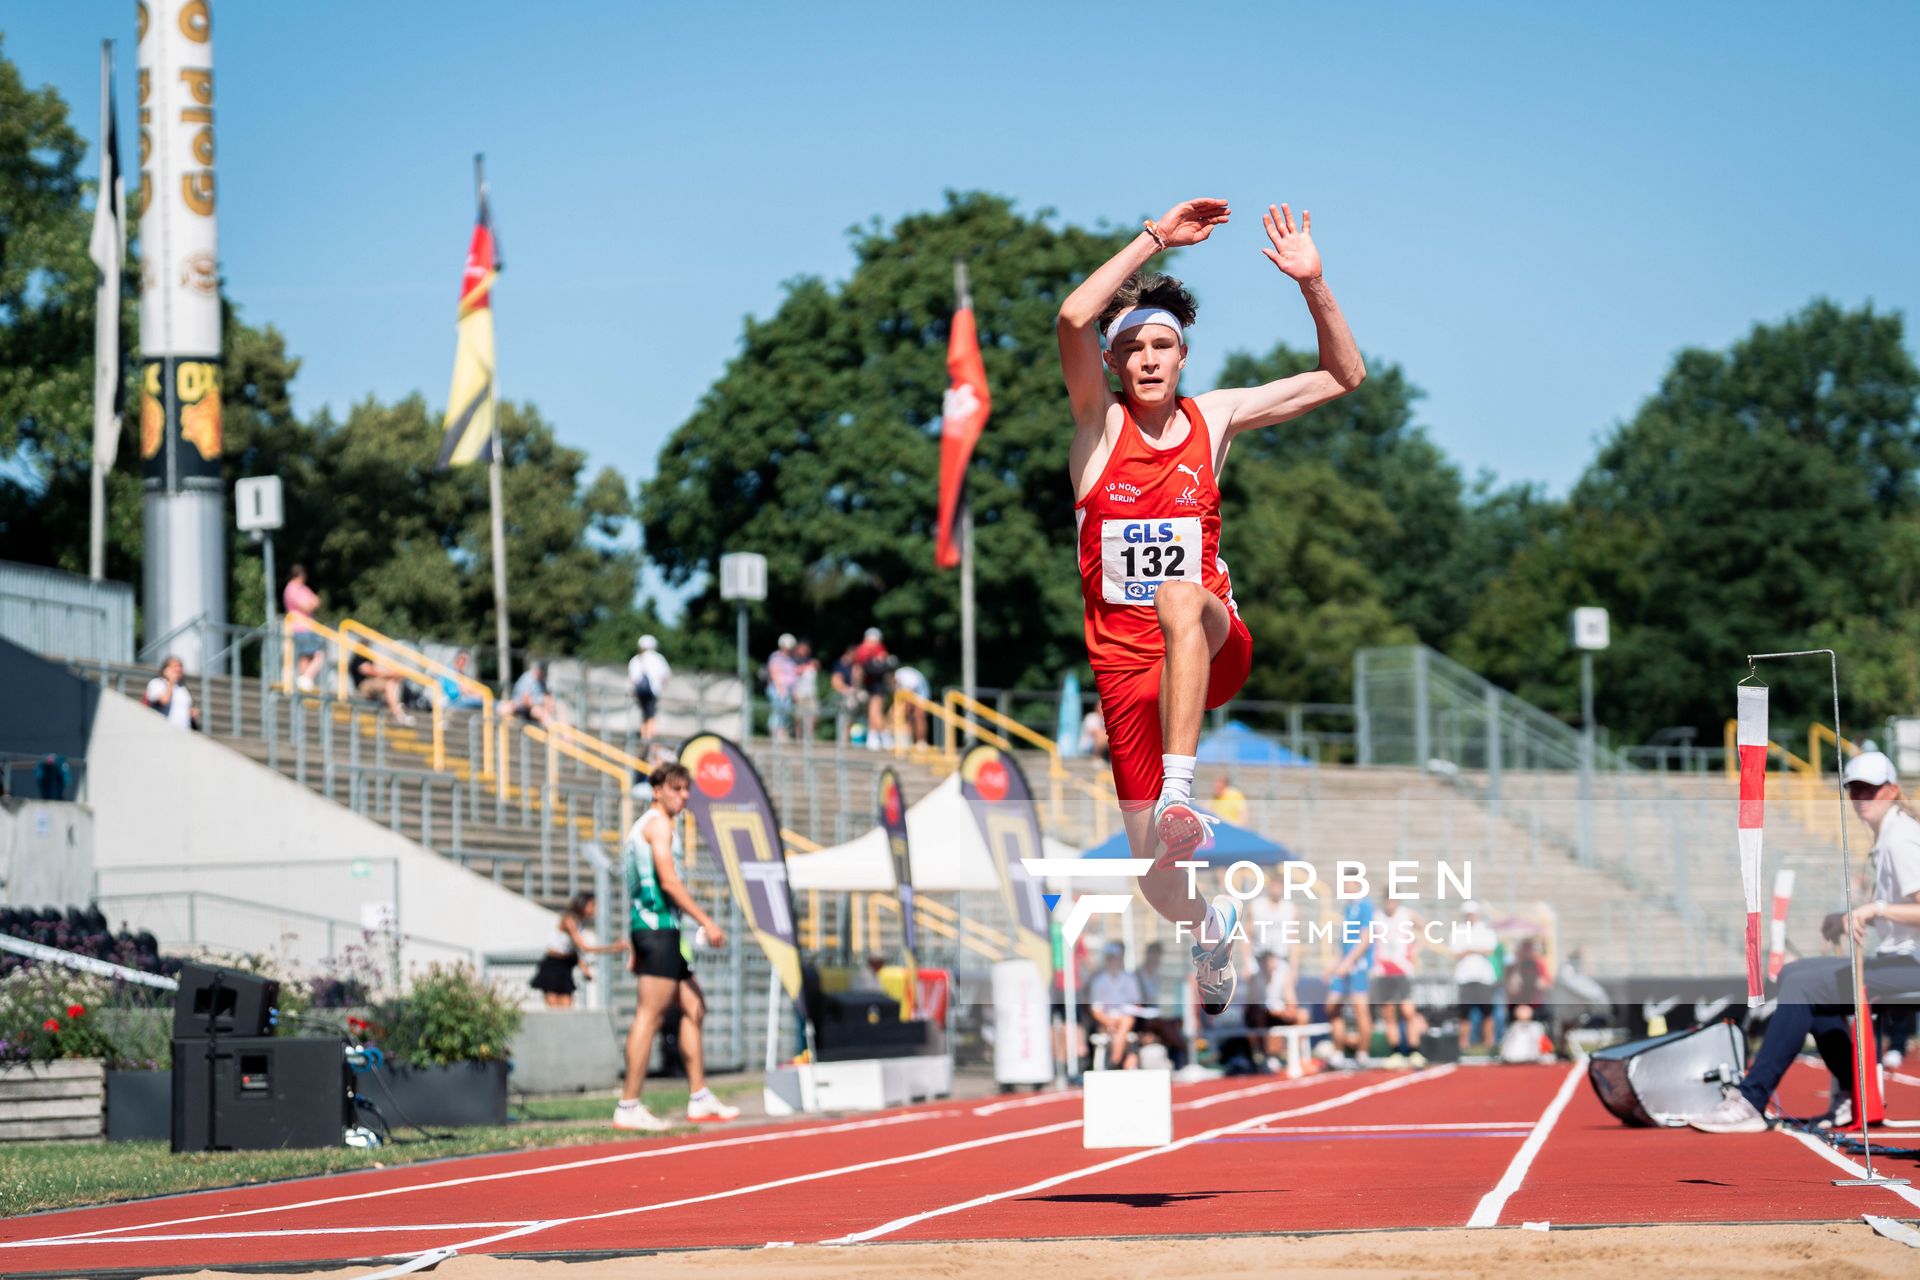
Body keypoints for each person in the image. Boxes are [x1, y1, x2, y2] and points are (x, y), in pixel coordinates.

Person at [1057, 194, 1365, 1016]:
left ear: (1183, 356)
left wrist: (1313, 283)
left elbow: (1346, 376)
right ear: (1113, 363)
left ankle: (1182, 793)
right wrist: (1156, 238)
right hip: (1128, 676)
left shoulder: (1215, 417)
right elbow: (1073, 315)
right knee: (1156, 882)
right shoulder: (1096, 428)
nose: (1148, 359)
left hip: (1210, 640)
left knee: (1179, 593)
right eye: (1133, 349)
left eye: (1162, 345)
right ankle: (1210, 924)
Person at [1693, 750, 1920, 1133]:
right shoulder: (1889, 834)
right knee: (1798, 978)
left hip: (1911, 966)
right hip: (1900, 960)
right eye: (1854, 789)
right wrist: (1848, 916)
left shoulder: (1901, 839)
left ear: (1892, 790)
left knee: (1803, 984)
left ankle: (1751, 1100)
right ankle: (1853, 1092)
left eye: (1870, 789)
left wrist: (1873, 910)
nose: (1861, 797)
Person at [615, 763, 740, 1130]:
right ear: (657, 791)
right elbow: (668, 882)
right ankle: (628, 1104)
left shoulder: (649, 826)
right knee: (650, 1015)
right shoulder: (658, 825)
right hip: (657, 931)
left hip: (661, 931)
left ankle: (699, 1097)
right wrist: (706, 920)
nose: (684, 796)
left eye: (687, 789)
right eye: (676, 789)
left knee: (694, 1007)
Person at [529, 892, 628, 1008]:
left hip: (566, 966)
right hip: (553, 965)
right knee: (554, 1008)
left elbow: (574, 949)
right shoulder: (569, 920)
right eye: (592, 905)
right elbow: (583, 947)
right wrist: (614, 947)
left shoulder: (580, 923)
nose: (595, 909)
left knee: (567, 1007)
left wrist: (584, 967)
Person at [1371, 896, 1426, 1067]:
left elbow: (1424, 927)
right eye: (1387, 901)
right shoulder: (1377, 916)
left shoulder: (1406, 914)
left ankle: (1414, 1051)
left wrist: (1416, 950)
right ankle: (1395, 1052)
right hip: (1384, 970)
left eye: (1393, 901)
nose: (1390, 905)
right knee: (1389, 1013)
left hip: (1403, 969)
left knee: (1408, 1011)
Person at [1325, 892, 1375, 1064]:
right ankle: (1339, 1051)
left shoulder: (1365, 906)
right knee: (1332, 1006)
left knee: (1360, 1010)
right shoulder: (1347, 908)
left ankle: (1363, 1053)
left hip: (1357, 966)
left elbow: (1365, 939)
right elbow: (1344, 945)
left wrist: (1348, 962)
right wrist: (1332, 967)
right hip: (1344, 967)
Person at [1086, 942, 1146, 1069]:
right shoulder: (1099, 981)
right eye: (1111, 958)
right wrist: (1109, 1022)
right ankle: (1118, 1059)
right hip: (1106, 1022)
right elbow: (1096, 1010)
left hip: (1125, 1021)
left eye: (1116, 958)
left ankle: (1115, 1060)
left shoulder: (1129, 979)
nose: (1114, 961)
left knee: (1126, 1021)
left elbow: (1137, 1003)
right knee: (1125, 1023)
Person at [1248, 949, 1308, 1073]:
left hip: (1280, 1012)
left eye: (1273, 961)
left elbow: (1291, 997)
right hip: (1263, 1014)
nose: (1271, 964)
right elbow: (1253, 1005)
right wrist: (1274, 1012)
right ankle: (1266, 1057)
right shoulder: (1255, 978)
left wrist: (1290, 1010)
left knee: (1302, 1015)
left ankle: (1297, 1055)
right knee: (1260, 1017)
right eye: (1268, 962)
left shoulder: (1283, 975)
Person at [1452, 900, 1500, 1056]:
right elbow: (1456, 952)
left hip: (1483, 978)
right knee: (1464, 1014)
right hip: (1465, 977)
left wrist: (1470, 950)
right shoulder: (1458, 930)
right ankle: (1463, 1046)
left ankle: (1489, 1045)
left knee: (1487, 1012)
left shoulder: (1486, 930)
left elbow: (1489, 950)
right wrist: (1475, 950)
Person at [282, 565, 326, 692]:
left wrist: (312, 604)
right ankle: (306, 677)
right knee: (319, 655)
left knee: (305, 657)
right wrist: (311, 604)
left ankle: (304, 680)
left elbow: (317, 602)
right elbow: (308, 606)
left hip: (307, 627)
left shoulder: (302, 589)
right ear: (300, 575)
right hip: (301, 627)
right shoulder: (292, 589)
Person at [852, 628, 893, 750]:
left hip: (869, 684)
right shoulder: (879, 649)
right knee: (876, 710)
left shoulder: (861, 650)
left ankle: (873, 737)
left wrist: (857, 687)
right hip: (877, 684)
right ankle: (884, 736)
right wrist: (892, 685)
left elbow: (857, 671)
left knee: (872, 710)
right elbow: (887, 671)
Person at [349, 651, 415, 725]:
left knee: (393, 682)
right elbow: (369, 671)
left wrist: (392, 675)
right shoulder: (360, 656)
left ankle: (397, 710)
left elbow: (376, 671)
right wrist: (389, 674)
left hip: (373, 686)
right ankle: (397, 713)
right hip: (362, 687)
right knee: (390, 684)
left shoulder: (368, 654)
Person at [629, 636, 671, 741]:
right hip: (653, 691)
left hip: (640, 692)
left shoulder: (636, 659)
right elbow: (666, 675)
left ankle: (644, 737)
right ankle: (649, 739)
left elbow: (633, 679)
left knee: (644, 714)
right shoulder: (658, 658)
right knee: (651, 715)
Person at [143, 656, 200, 731]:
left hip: (183, 731)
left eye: (180, 666)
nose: (179, 669)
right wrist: (171, 682)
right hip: (164, 730)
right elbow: (164, 700)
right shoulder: (156, 683)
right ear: (166, 669)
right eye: (175, 666)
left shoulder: (182, 688)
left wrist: (191, 712)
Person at [766, 634, 800, 741]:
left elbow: (793, 677)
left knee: (785, 712)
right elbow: (774, 673)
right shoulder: (776, 657)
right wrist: (780, 689)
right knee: (778, 711)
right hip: (777, 689)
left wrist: (794, 691)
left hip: (787, 690)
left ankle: (782, 733)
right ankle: (775, 733)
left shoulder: (791, 660)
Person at [831, 643, 864, 745]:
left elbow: (857, 684)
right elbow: (835, 682)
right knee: (845, 718)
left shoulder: (854, 666)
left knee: (863, 699)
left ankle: (854, 738)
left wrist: (856, 674)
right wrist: (847, 690)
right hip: (843, 696)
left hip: (853, 695)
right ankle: (843, 740)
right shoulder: (839, 665)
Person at [893, 663, 931, 746]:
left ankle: (921, 742)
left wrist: (905, 710)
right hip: (914, 694)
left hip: (921, 695)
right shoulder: (899, 679)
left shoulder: (905, 677)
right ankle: (910, 742)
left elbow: (910, 695)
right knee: (908, 718)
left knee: (919, 717)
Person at [509, 661, 557, 726]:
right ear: (537, 670)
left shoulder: (542, 680)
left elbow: (548, 696)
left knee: (558, 707)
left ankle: (561, 729)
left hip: (536, 707)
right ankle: (552, 729)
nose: (543, 674)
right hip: (523, 709)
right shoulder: (527, 679)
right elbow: (525, 701)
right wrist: (542, 703)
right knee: (540, 711)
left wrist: (548, 704)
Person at [790, 640, 820, 741]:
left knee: (813, 716)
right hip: (799, 693)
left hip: (811, 693)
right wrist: (807, 666)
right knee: (799, 717)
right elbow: (795, 672)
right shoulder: (793, 660)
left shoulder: (810, 660)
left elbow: (817, 665)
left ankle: (809, 738)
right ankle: (798, 738)